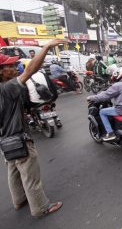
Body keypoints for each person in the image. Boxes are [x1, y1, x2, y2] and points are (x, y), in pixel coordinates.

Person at [0, 39, 66, 217]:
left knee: (13, 171)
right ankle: (40, 208)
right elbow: (31, 70)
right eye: (10, 65)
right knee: (30, 176)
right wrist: (46, 47)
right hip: (19, 140)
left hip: (5, 141)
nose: (15, 67)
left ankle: (19, 200)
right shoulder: (8, 88)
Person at [86, 66, 122, 142]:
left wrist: (91, 97)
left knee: (102, 112)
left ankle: (110, 133)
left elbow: (105, 96)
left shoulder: (117, 85)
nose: (112, 77)